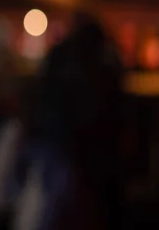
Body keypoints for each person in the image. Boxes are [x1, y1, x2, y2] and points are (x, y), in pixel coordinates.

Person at [33, 12, 125, 230]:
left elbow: (44, 96)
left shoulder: (61, 56)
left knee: (59, 204)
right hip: (90, 147)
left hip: (63, 142)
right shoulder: (104, 62)